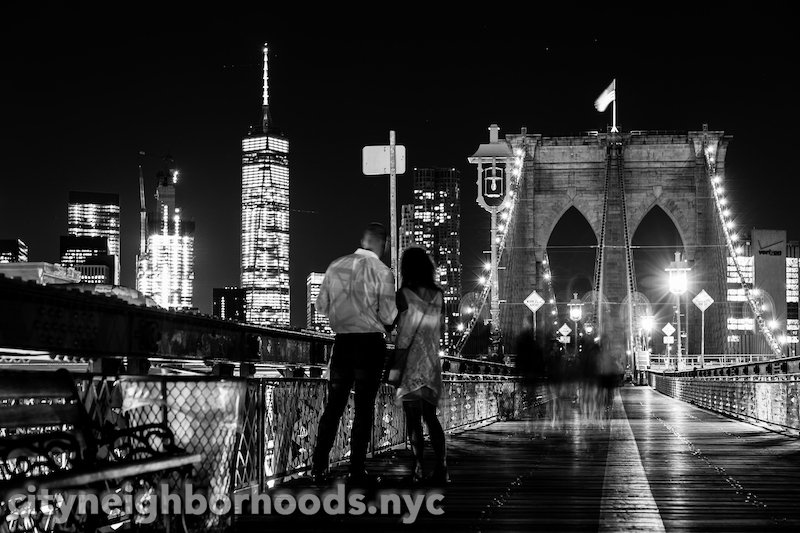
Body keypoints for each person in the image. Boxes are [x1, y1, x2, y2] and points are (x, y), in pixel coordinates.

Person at [311, 223, 397, 485]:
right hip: (370, 346)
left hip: (343, 345)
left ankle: (318, 466)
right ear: (382, 244)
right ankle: (356, 469)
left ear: (363, 239)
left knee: (334, 407)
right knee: (364, 410)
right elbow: (389, 315)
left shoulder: (337, 265)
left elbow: (321, 306)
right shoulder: (382, 271)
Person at [394, 246, 448, 484]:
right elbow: (441, 329)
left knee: (413, 418)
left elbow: (401, 333)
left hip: (411, 362)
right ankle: (442, 467)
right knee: (431, 416)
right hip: (431, 361)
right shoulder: (439, 295)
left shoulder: (403, 294)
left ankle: (417, 467)